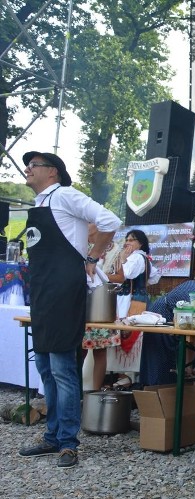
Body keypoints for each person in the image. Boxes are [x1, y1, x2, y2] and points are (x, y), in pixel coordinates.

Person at [17, 150, 121, 468]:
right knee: (46, 366)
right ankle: (51, 437)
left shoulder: (65, 195)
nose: (27, 170)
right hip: (43, 290)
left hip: (64, 290)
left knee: (63, 368)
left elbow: (110, 221)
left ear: (53, 173)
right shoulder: (40, 204)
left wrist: (92, 258)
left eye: (33, 165)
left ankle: (68, 443)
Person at [138, 279, 195, 387]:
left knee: (170, 363)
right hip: (161, 315)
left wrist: (188, 366)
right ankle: (156, 391)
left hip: (177, 320)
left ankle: (170, 386)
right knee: (159, 360)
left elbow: (191, 335)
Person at [81, 223, 121, 391]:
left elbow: (121, 276)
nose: (90, 227)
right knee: (79, 351)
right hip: (82, 304)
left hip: (102, 304)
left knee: (100, 351)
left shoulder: (112, 248)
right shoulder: (79, 243)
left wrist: (99, 275)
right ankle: (75, 392)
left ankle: (94, 393)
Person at [107, 229, 156, 318]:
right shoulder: (140, 257)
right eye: (126, 240)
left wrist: (123, 259)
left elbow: (127, 274)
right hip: (133, 297)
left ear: (141, 243)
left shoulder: (136, 257)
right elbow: (153, 278)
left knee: (127, 326)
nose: (127, 242)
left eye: (131, 240)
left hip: (131, 299)